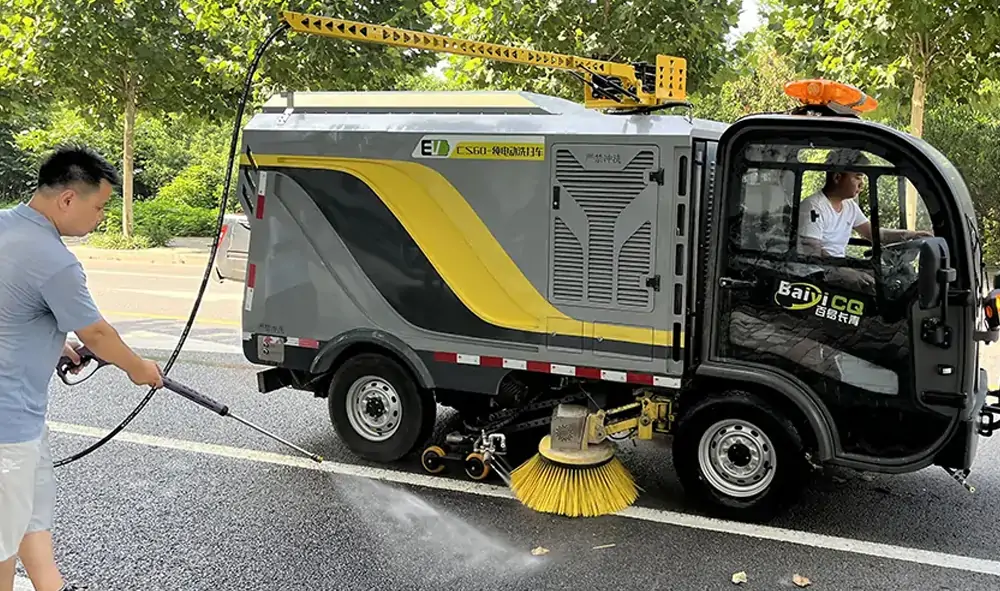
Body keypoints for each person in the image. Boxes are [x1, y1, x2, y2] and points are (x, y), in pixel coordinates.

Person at [0, 145, 164, 591]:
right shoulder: (56, 262)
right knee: (1, 545)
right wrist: (139, 369)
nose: (100, 219)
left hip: (22, 422)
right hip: (7, 431)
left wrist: (55, 342)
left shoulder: (5, 226)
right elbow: (99, 335)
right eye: (99, 207)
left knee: (30, 517)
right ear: (68, 199)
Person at [797, 149, 931, 291]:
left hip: (836, 265)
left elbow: (875, 234)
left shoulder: (850, 207)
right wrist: (847, 272)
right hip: (815, 272)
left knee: (885, 276)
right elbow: (812, 252)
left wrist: (911, 235)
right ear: (837, 177)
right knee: (870, 287)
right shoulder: (813, 207)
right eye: (857, 177)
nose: (862, 184)